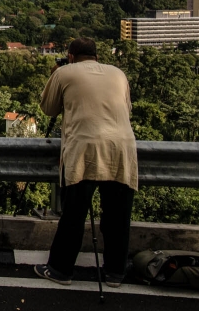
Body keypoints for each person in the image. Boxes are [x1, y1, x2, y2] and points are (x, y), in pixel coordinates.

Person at [34, 37, 138, 288]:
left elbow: (48, 109)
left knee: (74, 213)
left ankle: (61, 269)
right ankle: (115, 271)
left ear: (70, 56)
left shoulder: (65, 72)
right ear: (96, 56)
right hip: (122, 147)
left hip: (84, 149)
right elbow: (127, 109)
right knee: (118, 215)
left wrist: (55, 76)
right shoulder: (118, 74)